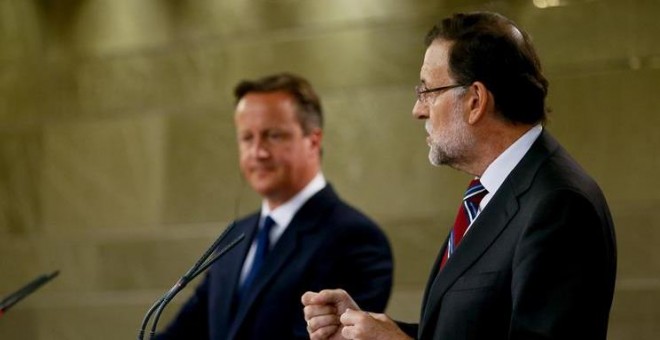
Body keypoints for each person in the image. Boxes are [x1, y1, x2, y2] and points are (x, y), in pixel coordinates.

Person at [302, 11, 616, 340]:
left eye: (428, 91)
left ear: (475, 101)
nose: (418, 109)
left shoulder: (559, 204)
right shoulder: (493, 191)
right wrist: (367, 331)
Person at [156, 73, 393, 340]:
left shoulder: (356, 238)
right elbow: (187, 330)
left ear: (313, 140)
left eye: (273, 136)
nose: (258, 152)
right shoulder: (235, 235)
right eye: (247, 137)